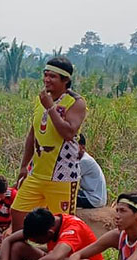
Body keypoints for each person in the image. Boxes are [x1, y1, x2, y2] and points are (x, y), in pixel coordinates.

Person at [10, 56, 87, 233]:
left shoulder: (76, 102)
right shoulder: (42, 99)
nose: (46, 80)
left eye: (52, 76)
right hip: (37, 173)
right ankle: (20, 253)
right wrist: (24, 166)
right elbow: (33, 133)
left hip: (63, 176)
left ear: (65, 80)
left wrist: (51, 107)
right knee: (17, 211)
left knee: (61, 223)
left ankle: (60, 258)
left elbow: (68, 133)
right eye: (45, 75)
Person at [76, 136, 107, 210]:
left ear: (82, 147)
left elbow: (70, 180)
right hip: (92, 195)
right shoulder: (84, 159)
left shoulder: (84, 161)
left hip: (93, 198)